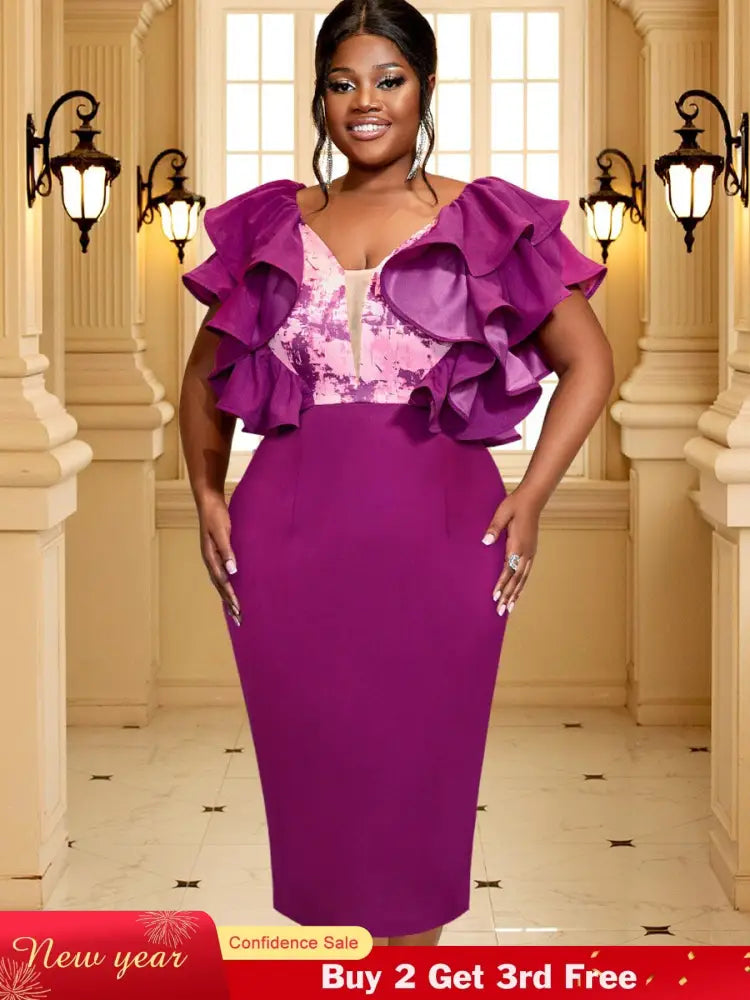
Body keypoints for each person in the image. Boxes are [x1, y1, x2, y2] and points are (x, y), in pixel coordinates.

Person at [178, 0, 613, 948]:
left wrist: (532, 496)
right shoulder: (270, 222)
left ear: (425, 88)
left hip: (443, 537)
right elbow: (205, 377)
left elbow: (590, 363)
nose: (364, 102)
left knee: (421, 781)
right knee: (314, 779)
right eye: (342, 83)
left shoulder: (483, 216)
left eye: (389, 80)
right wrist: (207, 493)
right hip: (286, 539)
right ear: (319, 97)